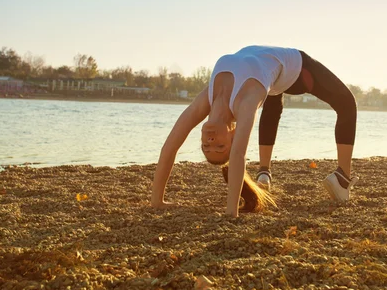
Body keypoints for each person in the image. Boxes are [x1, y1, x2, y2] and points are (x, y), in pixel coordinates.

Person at [151, 45, 358, 217]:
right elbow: (239, 155)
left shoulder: (206, 99)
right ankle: (342, 180)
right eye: (219, 146)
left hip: (270, 66)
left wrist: (157, 200)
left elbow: (170, 146)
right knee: (347, 103)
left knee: (273, 97)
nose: (211, 140)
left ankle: (264, 173)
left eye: (207, 146)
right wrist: (231, 212)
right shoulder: (245, 103)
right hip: (297, 71)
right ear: (233, 134)